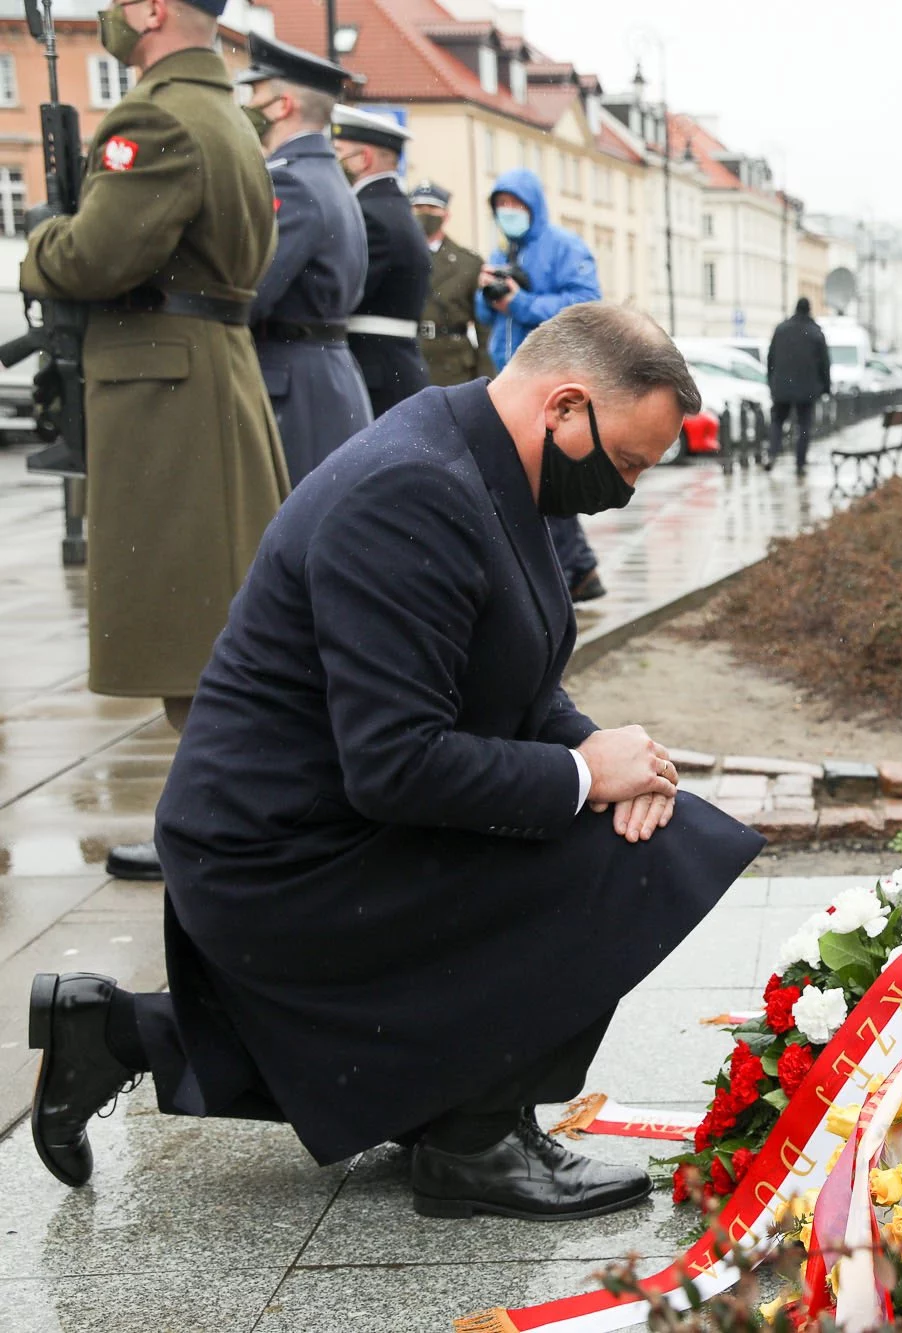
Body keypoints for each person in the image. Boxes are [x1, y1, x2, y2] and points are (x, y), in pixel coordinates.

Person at [26, 303, 766, 1220]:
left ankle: (115, 1032)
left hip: (334, 820)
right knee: (638, 857)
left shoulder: (492, 465)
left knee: (617, 828)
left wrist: (594, 747)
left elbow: (509, 679)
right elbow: (397, 763)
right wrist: (583, 779)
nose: (626, 490)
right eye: (624, 463)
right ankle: (474, 1140)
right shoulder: (414, 490)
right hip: (277, 858)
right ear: (565, 407)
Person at [18, 0, 288, 884]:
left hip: (170, 391)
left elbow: (96, 255)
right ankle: (220, 826)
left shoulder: (156, 115)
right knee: (214, 625)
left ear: (154, 10)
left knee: (196, 635)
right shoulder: (228, 115)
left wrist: (41, 241)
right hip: (208, 374)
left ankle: (227, 835)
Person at [238, 33, 371, 483]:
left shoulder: (291, 184)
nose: (248, 106)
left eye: (256, 93)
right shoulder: (326, 177)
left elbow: (251, 292)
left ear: (282, 105)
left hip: (294, 383)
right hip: (322, 373)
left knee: (294, 537)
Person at [477, 169, 607, 602]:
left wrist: (524, 301)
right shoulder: (503, 250)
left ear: (533, 206)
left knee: (541, 471)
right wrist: (490, 293)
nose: (508, 213)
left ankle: (573, 568)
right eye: (501, 206)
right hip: (512, 376)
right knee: (535, 473)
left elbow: (585, 304)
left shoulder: (564, 248)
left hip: (551, 379)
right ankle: (577, 568)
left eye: (516, 205)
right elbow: (491, 316)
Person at [330, 106, 431, 416]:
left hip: (374, 368)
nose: (334, 161)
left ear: (363, 159)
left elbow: (341, 293)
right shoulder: (393, 209)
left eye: (339, 152)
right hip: (393, 365)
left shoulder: (369, 216)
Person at [409, 181, 494, 387]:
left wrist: (486, 379)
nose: (425, 214)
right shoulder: (397, 257)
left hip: (453, 366)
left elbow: (484, 328)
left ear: (446, 215)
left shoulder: (468, 263)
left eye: (432, 209)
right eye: (419, 208)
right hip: (409, 358)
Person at [765, 296, 829, 476]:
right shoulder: (815, 332)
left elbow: (770, 359)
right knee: (804, 425)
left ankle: (772, 454)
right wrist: (826, 387)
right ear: (809, 310)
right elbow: (824, 363)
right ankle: (800, 463)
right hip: (806, 389)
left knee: (777, 422)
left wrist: (772, 383)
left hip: (782, 387)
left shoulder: (781, 329)